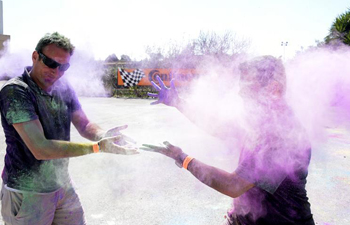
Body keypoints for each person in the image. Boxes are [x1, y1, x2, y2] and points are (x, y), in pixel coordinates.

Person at [142, 56, 315, 225]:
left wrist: (182, 158)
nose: (240, 92)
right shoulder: (261, 120)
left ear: (273, 89)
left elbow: (233, 185)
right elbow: (220, 128)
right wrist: (178, 102)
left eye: (247, 86)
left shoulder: (282, 133)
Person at [0, 32, 138, 225]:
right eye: (50, 63)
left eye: (63, 67)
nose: (56, 71)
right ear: (35, 57)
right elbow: (41, 149)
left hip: (62, 185)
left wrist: (103, 135)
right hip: (27, 193)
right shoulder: (16, 91)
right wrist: (97, 147)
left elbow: (84, 124)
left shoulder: (62, 86)